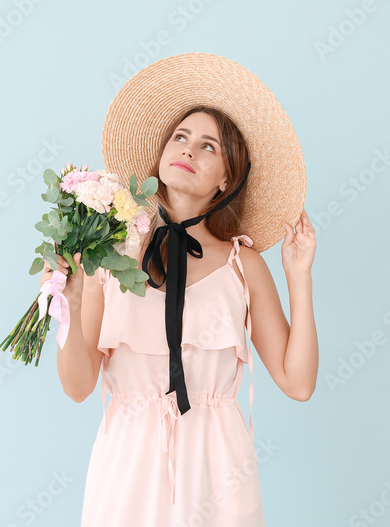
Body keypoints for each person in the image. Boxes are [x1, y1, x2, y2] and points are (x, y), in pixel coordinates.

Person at [41, 53, 318, 526]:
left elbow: (299, 382)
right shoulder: (110, 252)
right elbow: (78, 386)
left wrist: (299, 275)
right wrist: (73, 300)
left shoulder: (243, 264)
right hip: (128, 464)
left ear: (227, 177)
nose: (188, 150)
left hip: (218, 467)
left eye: (209, 146)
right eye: (181, 137)